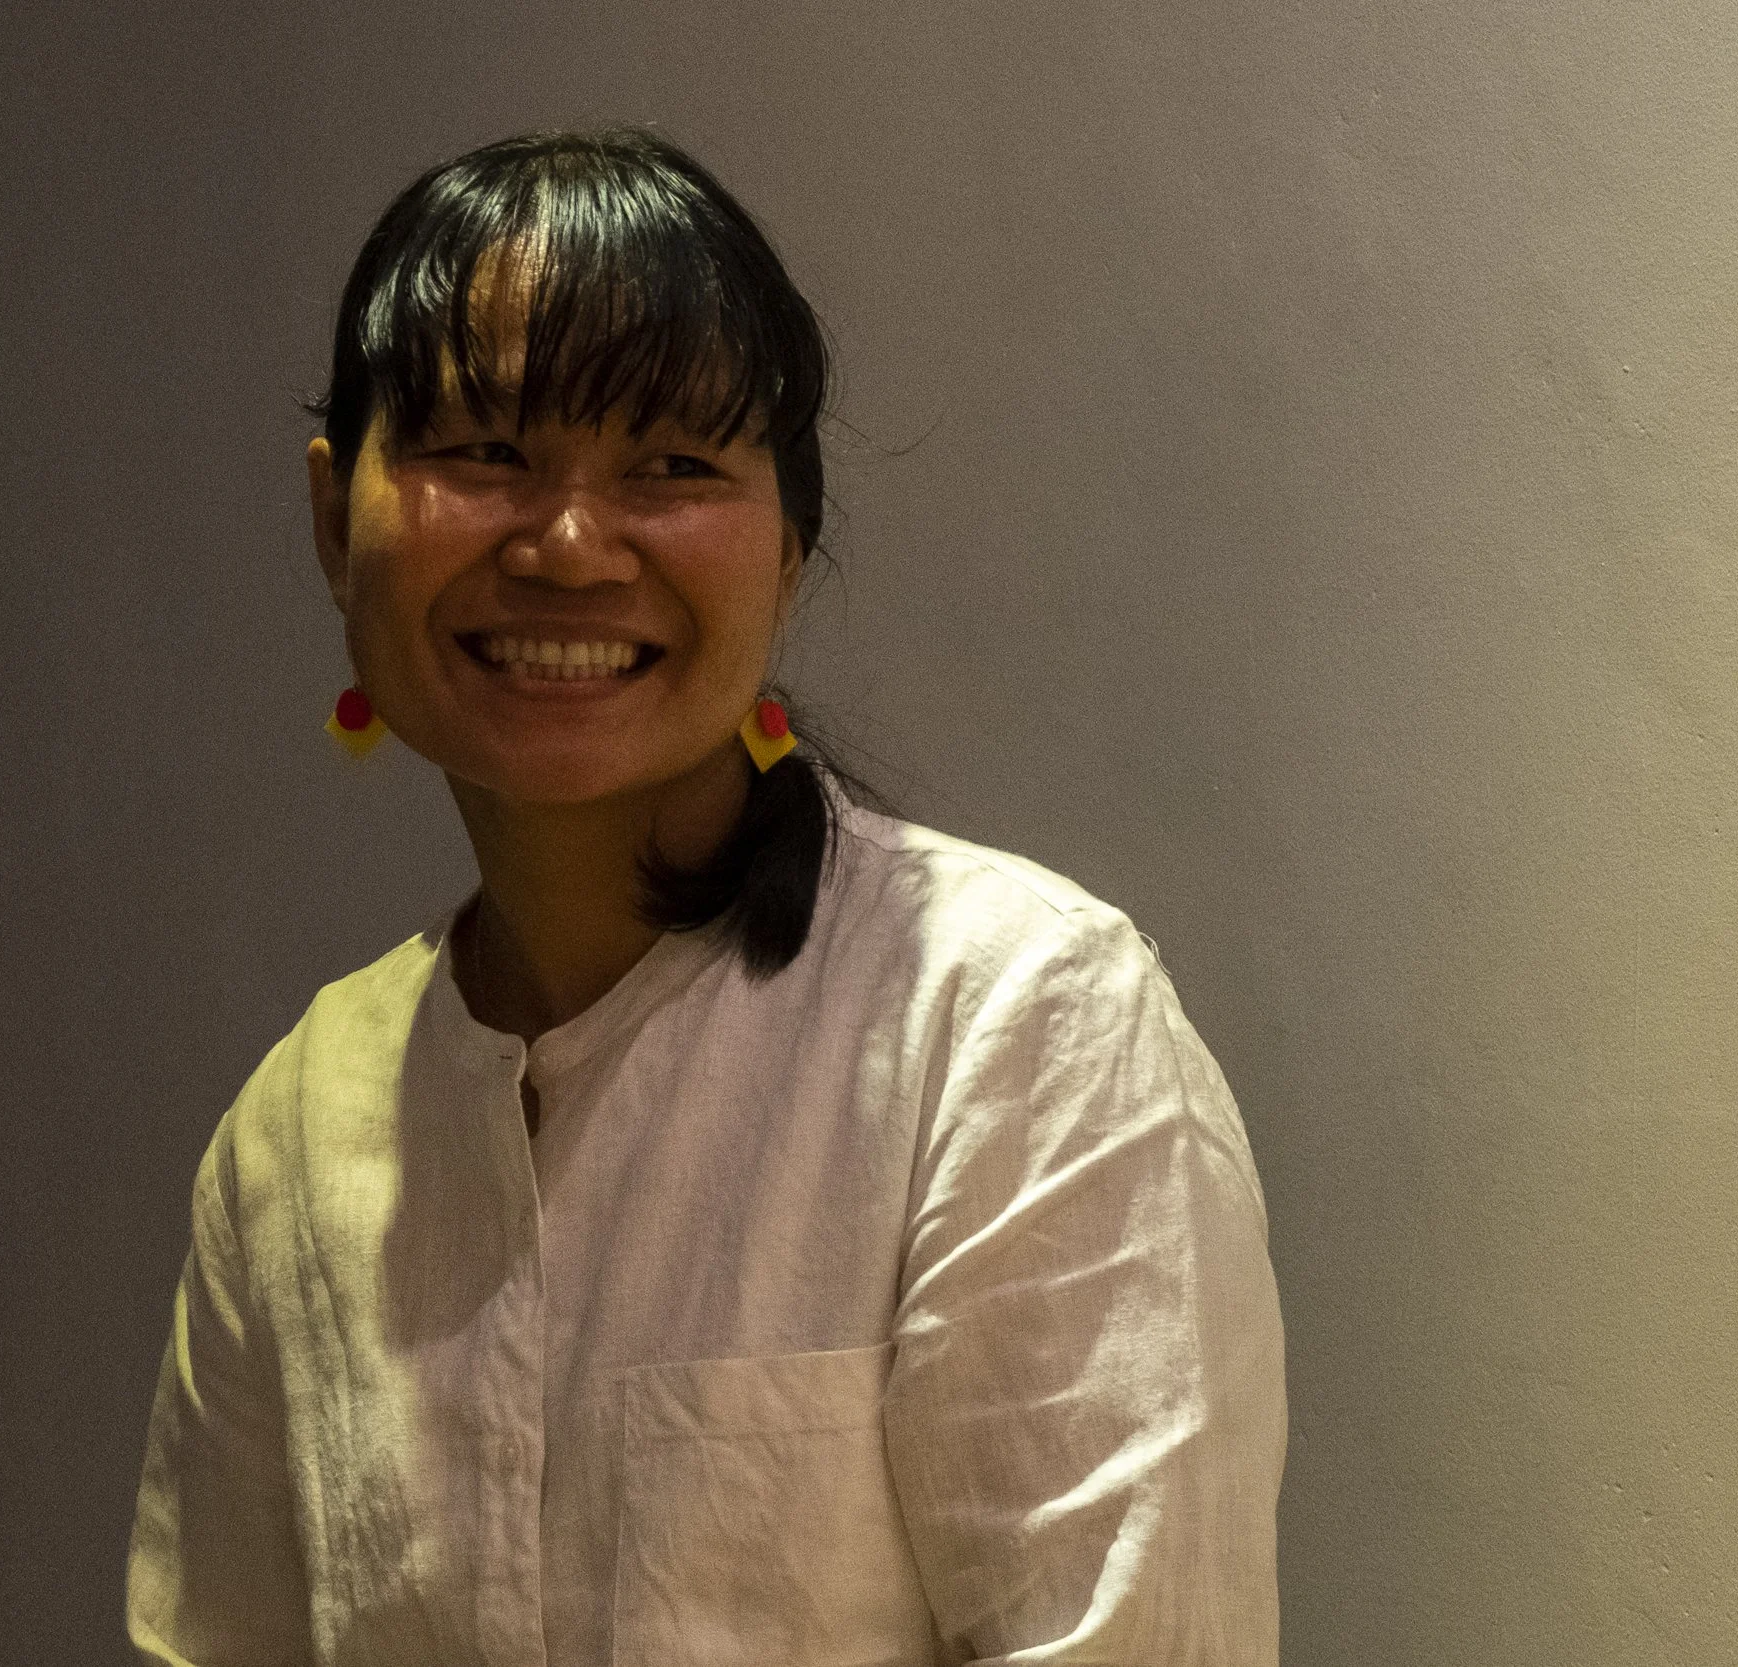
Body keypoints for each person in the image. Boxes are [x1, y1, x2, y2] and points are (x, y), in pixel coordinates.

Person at [126, 127, 1285, 1665]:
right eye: (485, 450)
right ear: (338, 519)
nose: (568, 546)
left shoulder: (1010, 1026)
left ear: (790, 548)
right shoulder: (295, 1130)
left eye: (672, 465)